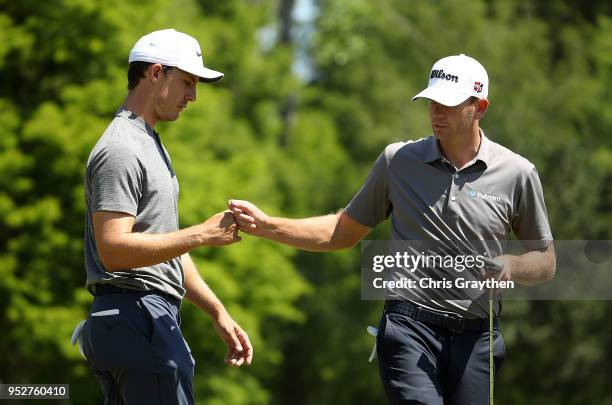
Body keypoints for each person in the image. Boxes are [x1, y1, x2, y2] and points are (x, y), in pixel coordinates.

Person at [228, 54, 555, 404]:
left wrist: (513, 266)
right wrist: (267, 226)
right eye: (431, 102)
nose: (435, 112)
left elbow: (546, 261)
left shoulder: (518, 173)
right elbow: (342, 231)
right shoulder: (398, 161)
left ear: (480, 107)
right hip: (409, 326)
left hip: (477, 338)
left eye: (447, 103)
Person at [79, 29, 253, 405]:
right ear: (155, 73)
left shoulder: (149, 144)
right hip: (136, 315)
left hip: (142, 317)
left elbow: (163, 245)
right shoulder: (122, 149)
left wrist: (216, 310)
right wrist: (202, 234)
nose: (193, 96)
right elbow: (114, 250)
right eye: (187, 82)